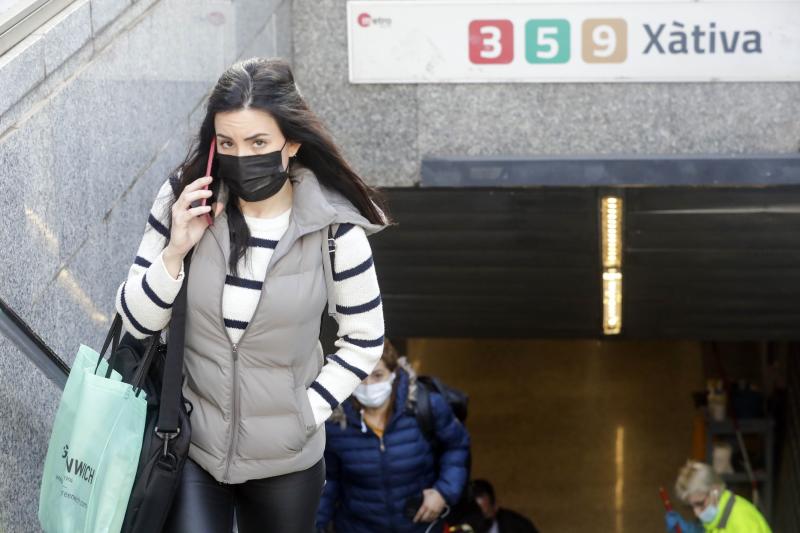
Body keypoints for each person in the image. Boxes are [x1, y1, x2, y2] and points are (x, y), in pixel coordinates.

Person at [115, 57, 388, 532]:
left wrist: (308, 410)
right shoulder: (184, 201)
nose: (241, 156)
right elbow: (137, 323)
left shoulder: (334, 231)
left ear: (291, 143)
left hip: (287, 459)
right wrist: (177, 249)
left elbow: (365, 336)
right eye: (227, 143)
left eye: (258, 142)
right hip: (188, 443)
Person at [315, 341, 471, 532]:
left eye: (378, 375)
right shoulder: (335, 422)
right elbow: (327, 482)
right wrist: (314, 526)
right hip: (358, 526)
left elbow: (456, 446)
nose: (368, 384)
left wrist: (443, 492)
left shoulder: (425, 405)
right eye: (361, 376)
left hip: (420, 525)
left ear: (394, 373)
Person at [665, 460, 771, 533]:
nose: (696, 513)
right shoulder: (718, 517)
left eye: (700, 504)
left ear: (714, 490)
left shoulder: (742, 522)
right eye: (691, 506)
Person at [471, 479, 539, 533]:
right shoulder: (463, 527)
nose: (477, 521)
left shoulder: (517, 526)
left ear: (495, 506)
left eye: (483, 515)